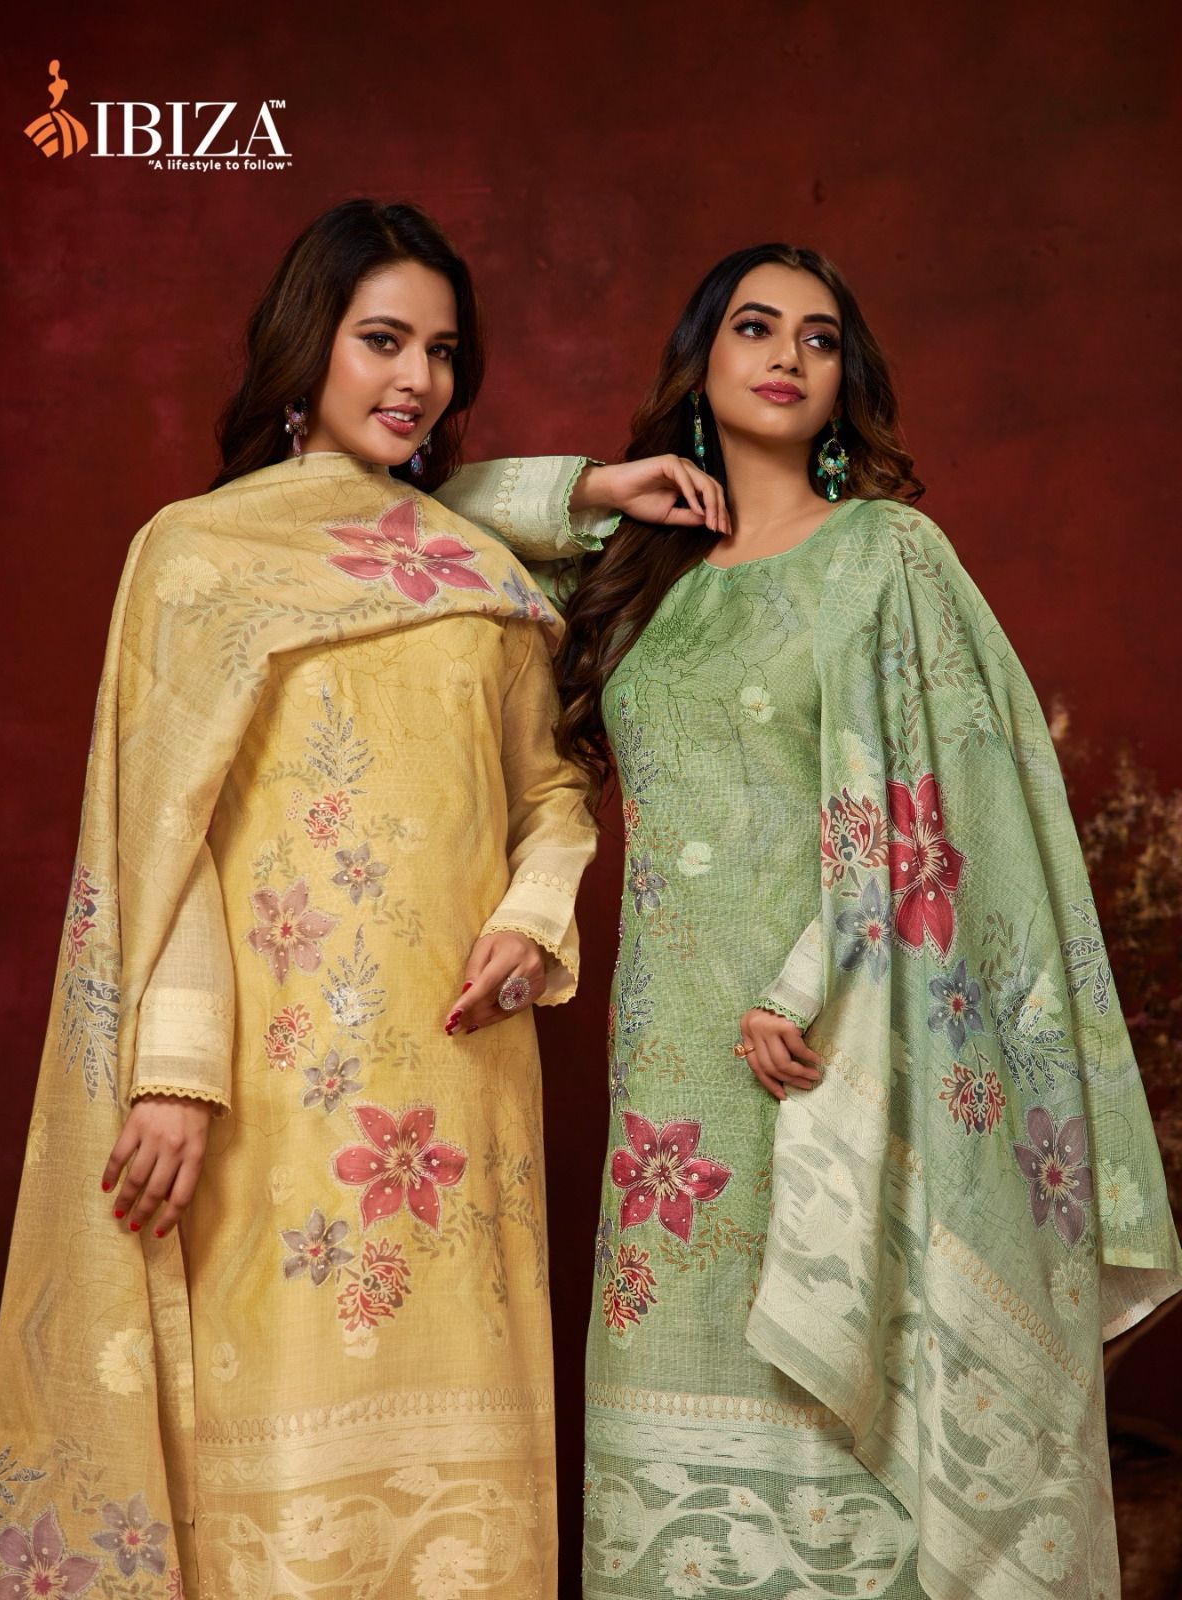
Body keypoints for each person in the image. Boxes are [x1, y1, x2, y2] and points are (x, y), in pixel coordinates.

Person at [0, 200, 723, 1600]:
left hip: (459, 1085)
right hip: (269, 1090)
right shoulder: (197, 556)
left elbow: (554, 794)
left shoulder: (480, 575)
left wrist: (532, 919)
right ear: (306, 343)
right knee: (271, 1443)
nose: (417, 379)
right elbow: (165, 840)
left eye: (442, 352)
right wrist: (174, 1075)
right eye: (383, 340)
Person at [463, 243, 1182, 1598]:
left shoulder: (885, 554)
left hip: (829, 1049)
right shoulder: (638, 573)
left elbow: (939, 808)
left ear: (849, 381)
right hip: (669, 1091)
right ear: (701, 363)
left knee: (844, 1421)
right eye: (755, 327)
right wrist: (598, 488)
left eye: (820, 337)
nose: (789, 355)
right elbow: (425, 517)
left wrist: (804, 988)